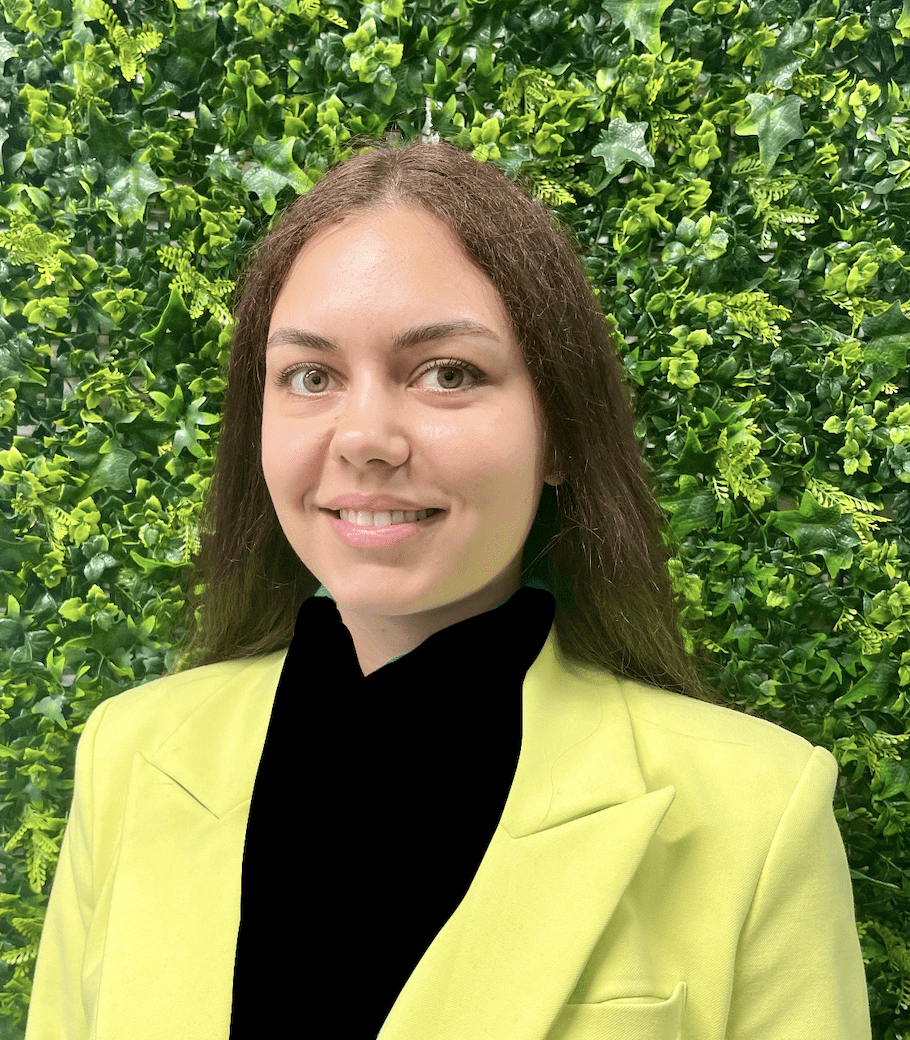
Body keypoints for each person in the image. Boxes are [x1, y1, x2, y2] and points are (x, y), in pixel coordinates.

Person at [25, 135, 871, 1039]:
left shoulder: (757, 810)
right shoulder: (129, 754)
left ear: (559, 433)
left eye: (448, 374)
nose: (366, 438)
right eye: (310, 376)